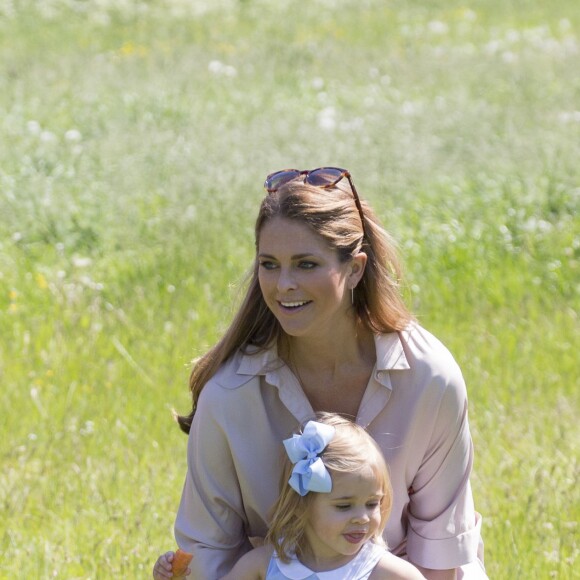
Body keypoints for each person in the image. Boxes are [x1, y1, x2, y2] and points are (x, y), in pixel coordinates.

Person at [154, 167, 487, 579]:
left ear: (355, 269)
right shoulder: (230, 392)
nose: (283, 284)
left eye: (306, 264)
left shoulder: (429, 378)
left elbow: (443, 551)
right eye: (269, 264)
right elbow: (207, 550)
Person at [155, 413, 425, 579]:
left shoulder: (385, 573)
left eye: (372, 503)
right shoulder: (268, 564)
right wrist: (174, 577)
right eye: (344, 506)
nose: (362, 518)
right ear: (302, 506)